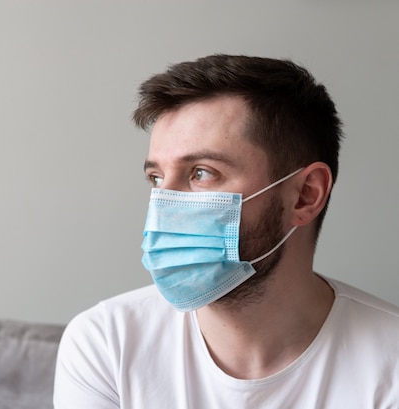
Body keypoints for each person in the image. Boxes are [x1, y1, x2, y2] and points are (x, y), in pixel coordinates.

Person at [53, 54, 399, 408]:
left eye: (201, 172)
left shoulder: (390, 364)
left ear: (305, 195)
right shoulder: (108, 343)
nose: (163, 204)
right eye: (156, 178)